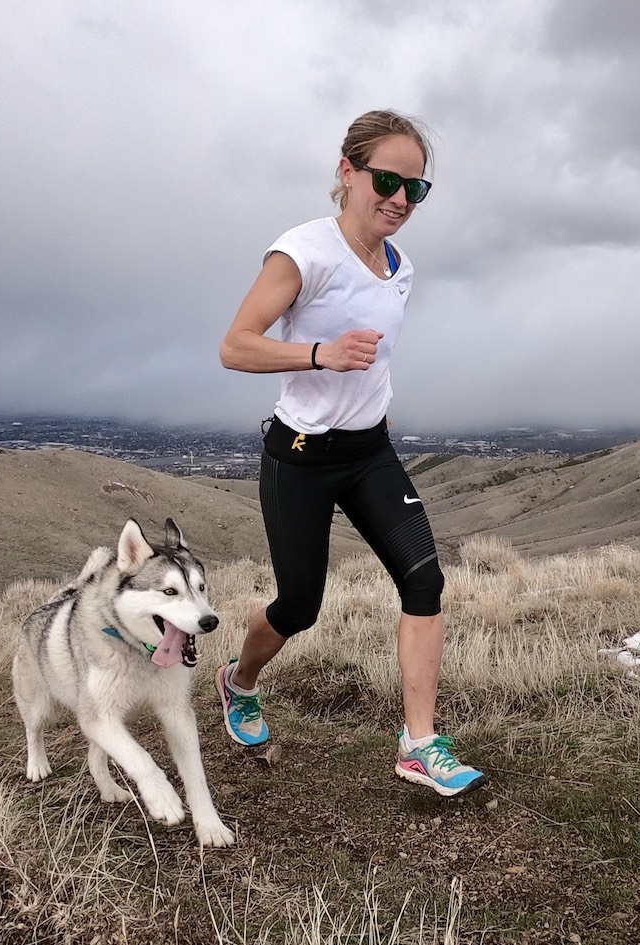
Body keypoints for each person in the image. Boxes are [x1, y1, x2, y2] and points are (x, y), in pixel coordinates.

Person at [215, 109, 485, 797]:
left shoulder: (401, 268)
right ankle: (239, 682)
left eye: (415, 189)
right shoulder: (303, 252)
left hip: (370, 453)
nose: (399, 198)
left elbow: (377, 359)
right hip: (300, 455)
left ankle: (419, 744)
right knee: (299, 605)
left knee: (424, 581)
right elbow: (235, 344)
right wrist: (319, 355)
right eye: (387, 179)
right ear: (347, 172)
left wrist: (372, 408)